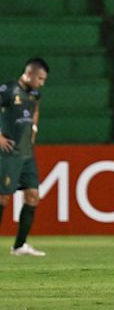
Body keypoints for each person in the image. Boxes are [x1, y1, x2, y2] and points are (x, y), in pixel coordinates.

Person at [0, 58, 50, 256]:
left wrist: (34, 130)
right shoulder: (8, 90)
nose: (41, 83)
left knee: (33, 196)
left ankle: (20, 246)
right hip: (8, 153)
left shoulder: (34, 93)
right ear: (28, 74)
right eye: (39, 78)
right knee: (3, 198)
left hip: (27, 153)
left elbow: (36, 108)